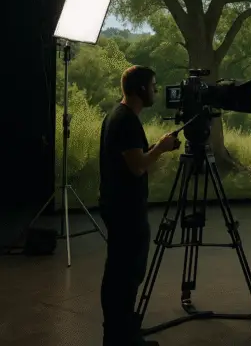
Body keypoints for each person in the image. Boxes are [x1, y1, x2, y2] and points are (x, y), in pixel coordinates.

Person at [99, 65, 180, 346]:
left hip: (115, 205)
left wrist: (156, 149)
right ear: (141, 89)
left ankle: (118, 333)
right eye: (154, 86)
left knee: (118, 271)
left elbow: (134, 164)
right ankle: (123, 337)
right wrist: (161, 148)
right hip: (126, 210)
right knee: (127, 273)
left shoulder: (115, 115)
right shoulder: (127, 121)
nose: (157, 91)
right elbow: (137, 167)